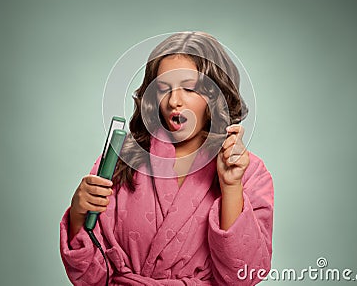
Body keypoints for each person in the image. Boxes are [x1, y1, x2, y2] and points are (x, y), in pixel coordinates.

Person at [60, 31, 274, 285]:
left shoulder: (250, 172)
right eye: (164, 88)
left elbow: (243, 277)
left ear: (215, 95)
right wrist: (77, 216)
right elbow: (91, 278)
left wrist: (230, 187)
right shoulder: (122, 160)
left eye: (189, 88)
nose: (174, 101)